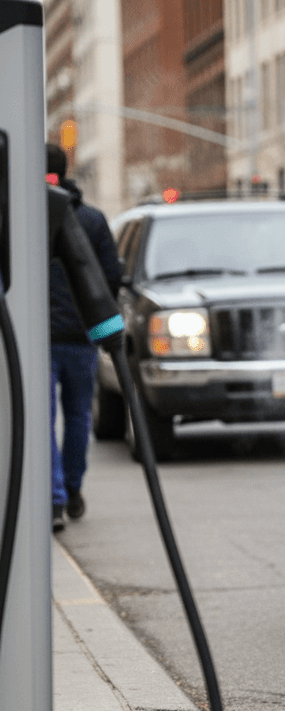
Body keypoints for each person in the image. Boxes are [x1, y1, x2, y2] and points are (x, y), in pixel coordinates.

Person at [47, 143, 121, 532]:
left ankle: (55, 498)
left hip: (39, 340)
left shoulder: (26, 216)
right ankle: (72, 489)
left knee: (43, 420)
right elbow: (111, 277)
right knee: (78, 416)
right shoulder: (91, 220)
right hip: (81, 336)